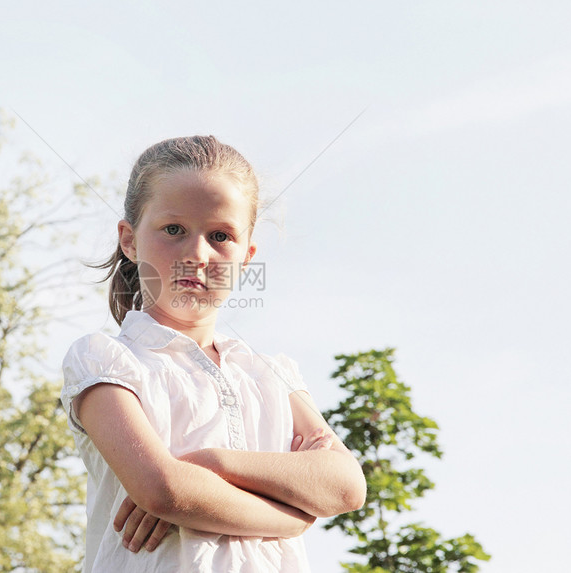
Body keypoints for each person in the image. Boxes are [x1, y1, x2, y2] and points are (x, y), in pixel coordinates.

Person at [61, 135, 366, 572]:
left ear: (246, 257)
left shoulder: (269, 375)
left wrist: (210, 463)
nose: (197, 254)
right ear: (129, 240)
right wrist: (292, 517)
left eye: (221, 235)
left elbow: (346, 486)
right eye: (173, 230)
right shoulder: (104, 360)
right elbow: (162, 490)